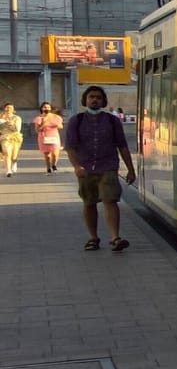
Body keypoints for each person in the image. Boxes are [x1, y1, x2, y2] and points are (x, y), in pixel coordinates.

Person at [64, 85, 137, 252]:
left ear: (104, 101)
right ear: (86, 100)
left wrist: (131, 170)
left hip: (108, 166)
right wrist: (77, 166)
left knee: (110, 199)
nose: (95, 99)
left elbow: (122, 146)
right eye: (91, 97)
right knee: (89, 202)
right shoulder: (77, 120)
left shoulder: (112, 121)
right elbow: (70, 147)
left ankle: (115, 238)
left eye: (98, 97)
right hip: (86, 168)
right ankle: (93, 237)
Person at [33, 102, 64, 173]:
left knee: (55, 154)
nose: (46, 108)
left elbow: (61, 126)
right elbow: (37, 130)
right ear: (42, 109)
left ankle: (54, 165)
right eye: (44, 107)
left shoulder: (56, 117)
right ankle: (48, 168)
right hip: (43, 137)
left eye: (48, 107)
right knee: (47, 155)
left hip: (54, 137)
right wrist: (44, 125)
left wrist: (56, 125)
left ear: (50, 108)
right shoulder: (39, 118)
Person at [0, 103, 23, 176]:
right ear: (4, 108)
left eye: (10, 108)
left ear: (13, 110)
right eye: (7, 107)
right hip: (4, 137)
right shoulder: (0, 117)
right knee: (6, 152)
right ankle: (8, 170)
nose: (8, 109)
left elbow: (17, 130)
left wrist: (10, 124)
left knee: (13, 156)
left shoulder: (17, 118)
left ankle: (14, 162)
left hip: (15, 137)